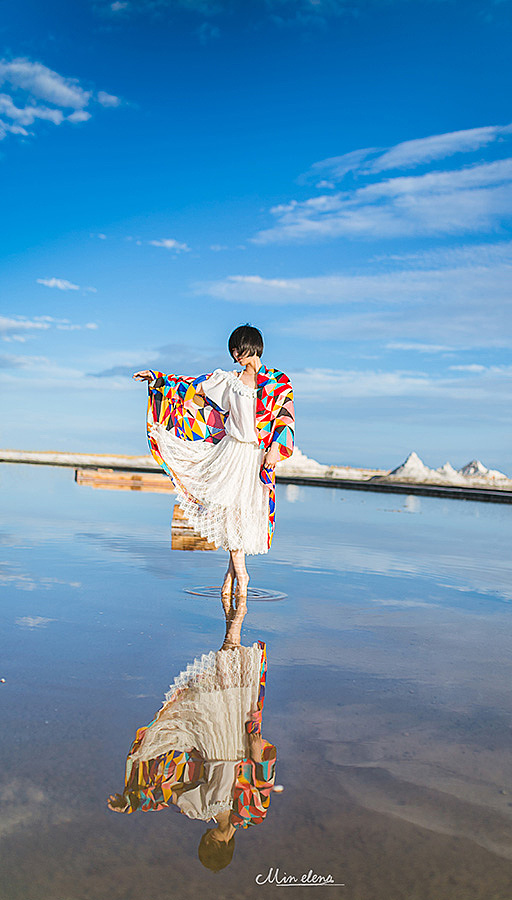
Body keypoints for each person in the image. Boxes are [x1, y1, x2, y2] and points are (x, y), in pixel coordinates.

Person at [107, 597, 277, 872]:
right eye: (210, 845)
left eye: (204, 844)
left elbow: (165, 794)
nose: (207, 840)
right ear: (223, 846)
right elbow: (263, 785)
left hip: (212, 745)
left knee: (218, 685)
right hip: (240, 748)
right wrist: (259, 757)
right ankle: (237, 610)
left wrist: (132, 802)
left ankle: (235, 615)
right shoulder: (252, 815)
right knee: (235, 683)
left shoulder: (198, 811)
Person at [133, 324, 294, 599]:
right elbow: (192, 387)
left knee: (245, 513)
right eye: (233, 349)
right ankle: (242, 576)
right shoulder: (228, 380)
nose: (235, 354)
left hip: (257, 456)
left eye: (239, 347)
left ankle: (229, 579)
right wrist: (158, 379)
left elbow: (286, 419)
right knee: (231, 512)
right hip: (231, 453)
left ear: (252, 346)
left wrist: (275, 451)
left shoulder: (279, 382)